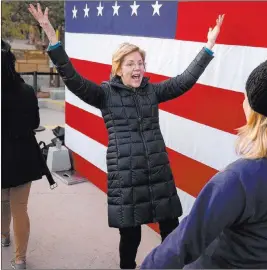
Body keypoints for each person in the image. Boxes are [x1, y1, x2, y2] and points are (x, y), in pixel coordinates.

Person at [28, 3, 224, 269]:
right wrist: (52, 38)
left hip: (158, 173)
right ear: (118, 68)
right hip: (126, 177)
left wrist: (208, 47)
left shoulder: (152, 92)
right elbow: (72, 79)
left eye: (140, 63)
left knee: (171, 232)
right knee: (130, 237)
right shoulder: (105, 94)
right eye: (130, 63)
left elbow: (184, 81)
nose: (137, 68)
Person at [140, 41, 267, 269]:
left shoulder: (238, 179)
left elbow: (184, 243)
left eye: (246, 97)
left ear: (257, 112)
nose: (242, 102)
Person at [1, 39, 56, 270]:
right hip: (24, 156)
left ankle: (4, 235)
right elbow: (35, 122)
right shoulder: (27, 90)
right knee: (20, 207)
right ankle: (20, 259)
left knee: (3, 201)